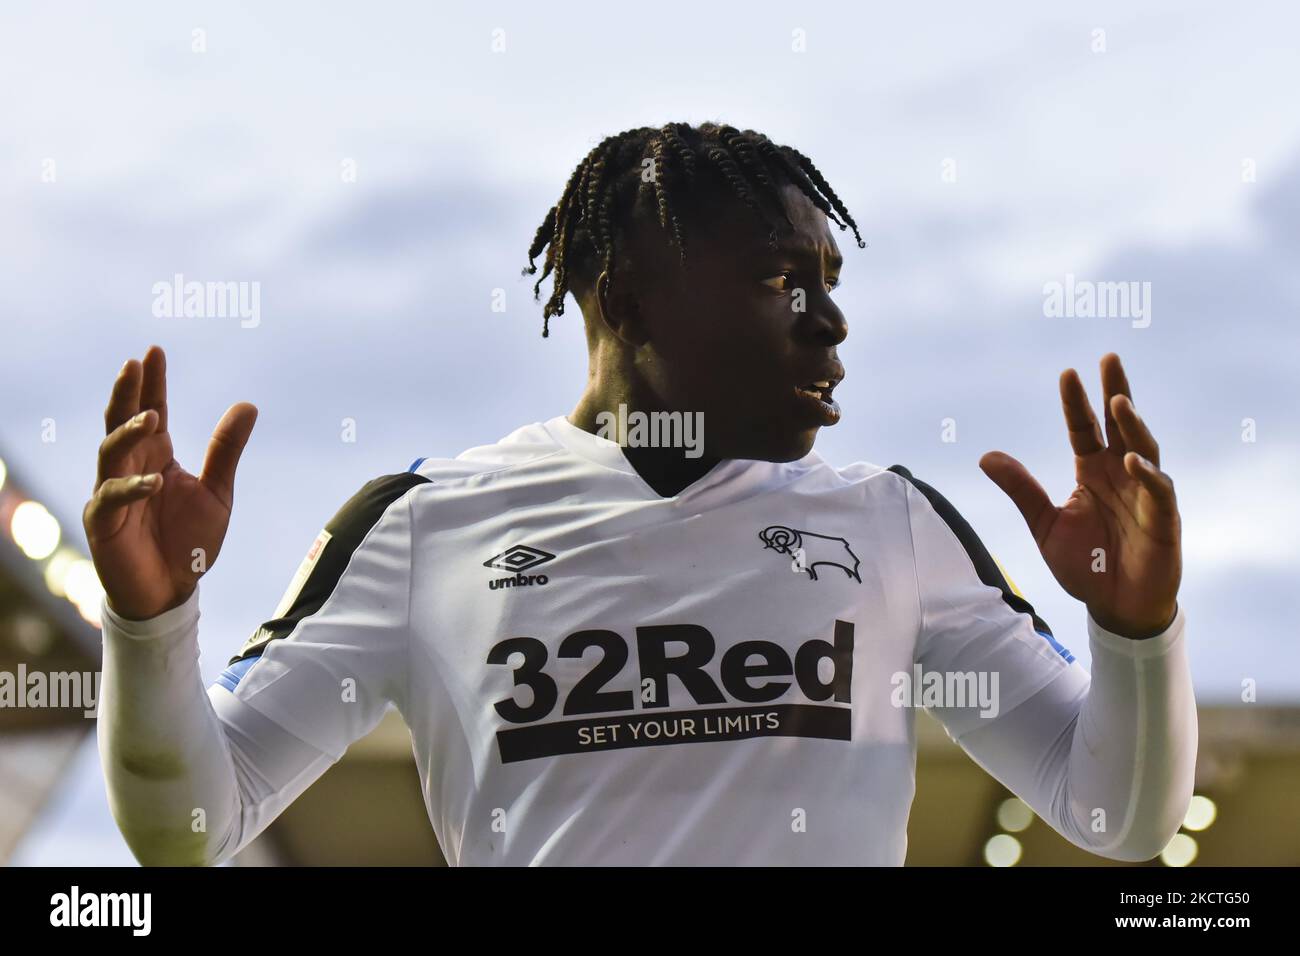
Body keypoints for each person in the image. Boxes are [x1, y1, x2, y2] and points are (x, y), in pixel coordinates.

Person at [89, 121, 1195, 865]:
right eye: (782, 279)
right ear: (632, 303)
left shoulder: (892, 524)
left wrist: (1135, 629)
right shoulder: (424, 525)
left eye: (830, 281)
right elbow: (193, 824)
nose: (829, 319)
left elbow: (1118, 816)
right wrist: (149, 623)